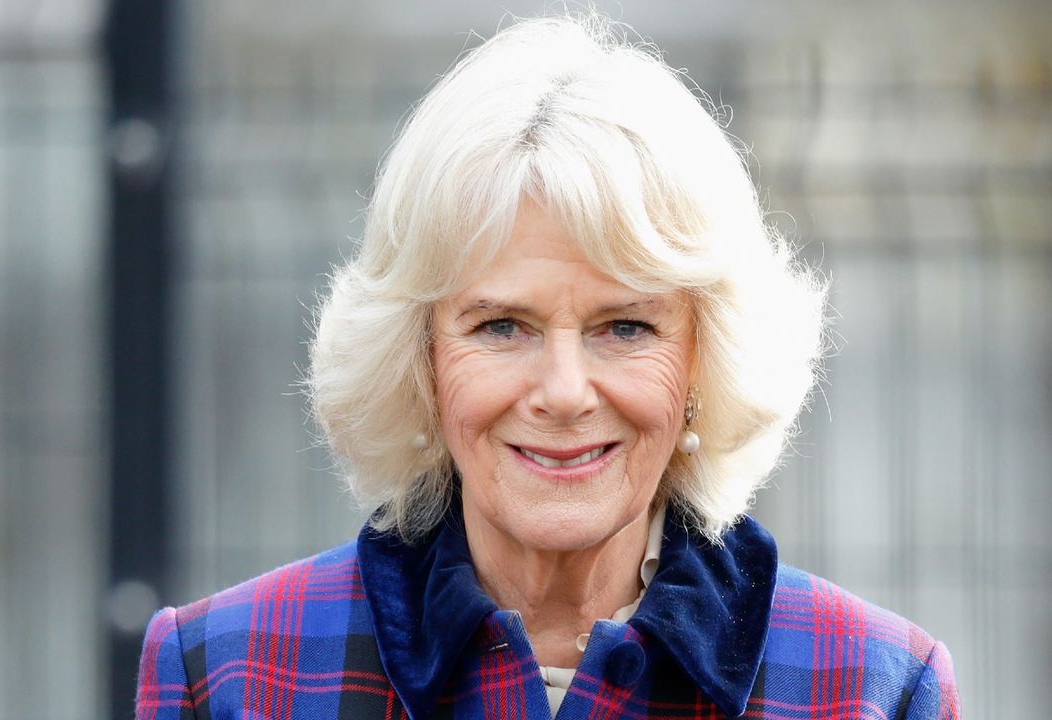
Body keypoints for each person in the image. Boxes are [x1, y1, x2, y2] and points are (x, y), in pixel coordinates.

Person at [136, 14, 960, 720]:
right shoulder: (228, 676)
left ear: (706, 361)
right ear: (418, 359)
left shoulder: (868, 689)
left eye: (626, 327)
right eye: (501, 326)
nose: (564, 393)